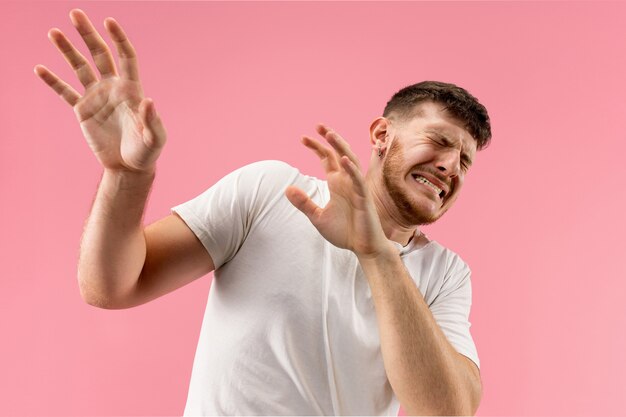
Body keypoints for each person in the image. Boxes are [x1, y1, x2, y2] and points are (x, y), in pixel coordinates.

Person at [35, 9, 491, 416]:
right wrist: (125, 174)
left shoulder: (446, 274)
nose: (450, 165)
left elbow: (447, 411)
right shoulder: (271, 191)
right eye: (439, 141)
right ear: (381, 134)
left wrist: (377, 254)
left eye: (465, 161)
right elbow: (110, 287)